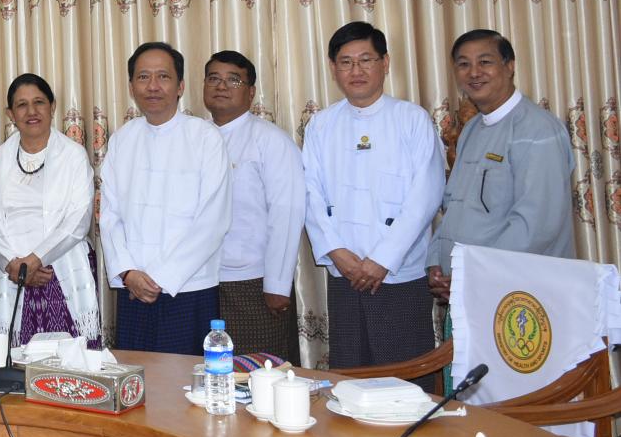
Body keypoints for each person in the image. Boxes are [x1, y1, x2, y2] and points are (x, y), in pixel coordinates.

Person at [304, 22, 444, 378]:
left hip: (398, 274)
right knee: (351, 378)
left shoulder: (412, 119)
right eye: (346, 62)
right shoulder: (321, 124)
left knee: (406, 380)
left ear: (385, 62)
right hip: (345, 275)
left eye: (366, 59)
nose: (356, 70)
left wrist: (383, 260)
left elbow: (426, 196)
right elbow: (310, 194)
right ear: (333, 68)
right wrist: (337, 253)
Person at [99, 43, 232, 354]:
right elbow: (110, 215)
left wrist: (160, 277)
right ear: (131, 87)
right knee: (136, 376)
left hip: (189, 287)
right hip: (133, 289)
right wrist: (128, 272)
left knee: (184, 379)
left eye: (163, 76)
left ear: (180, 86)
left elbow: (213, 221)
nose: (153, 86)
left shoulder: (206, 138)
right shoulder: (122, 139)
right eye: (143, 77)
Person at [427, 29, 575, 300]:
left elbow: (536, 226)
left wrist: (473, 274)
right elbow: (454, 206)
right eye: (464, 64)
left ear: (510, 66)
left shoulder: (537, 130)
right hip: (469, 289)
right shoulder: (472, 129)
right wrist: (436, 261)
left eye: (485, 62)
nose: (474, 72)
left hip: (518, 296)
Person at [0, 74, 100, 347]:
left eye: (39, 102)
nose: (31, 111)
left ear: (52, 107)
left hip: (60, 269)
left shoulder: (73, 155)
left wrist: (34, 261)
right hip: (13, 273)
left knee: (71, 359)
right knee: (18, 359)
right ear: (10, 114)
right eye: (22, 105)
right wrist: (14, 264)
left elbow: (78, 220)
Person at [203, 51, 306, 365]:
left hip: (254, 283)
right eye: (214, 78)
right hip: (201, 280)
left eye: (233, 80)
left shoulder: (270, 140)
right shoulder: (195, 137)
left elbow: (287, 212)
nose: (222, 86)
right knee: (209, 372)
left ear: (251, 92)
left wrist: (277, 284)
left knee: (261, 373)